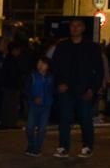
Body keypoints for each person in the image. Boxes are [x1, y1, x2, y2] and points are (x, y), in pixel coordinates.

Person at [51, 18, 99, 159]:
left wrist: (92, 89)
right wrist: (59, 83)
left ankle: (87, 146)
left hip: (84, 90)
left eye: (78, 26)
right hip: (66, 90)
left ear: (83, 28)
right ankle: (63, 147)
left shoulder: (92, 47)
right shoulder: (62, 46)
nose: (75, 28)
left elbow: (98, 70)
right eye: (72, 26)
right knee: (65, 119)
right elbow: (55, 67)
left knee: (85, 119)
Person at [26, 56, 54, 156]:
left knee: (42, 129)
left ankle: (37, 148)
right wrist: (34, 98)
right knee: (30, 127)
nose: (40, 65)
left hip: (46, 106)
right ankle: (31, 146)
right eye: (39, 63)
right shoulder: (32, 75)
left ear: (47, 66)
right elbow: (27, 90)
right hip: (34, 105)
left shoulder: (51, 77)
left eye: (42, 63)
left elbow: (52, 91)